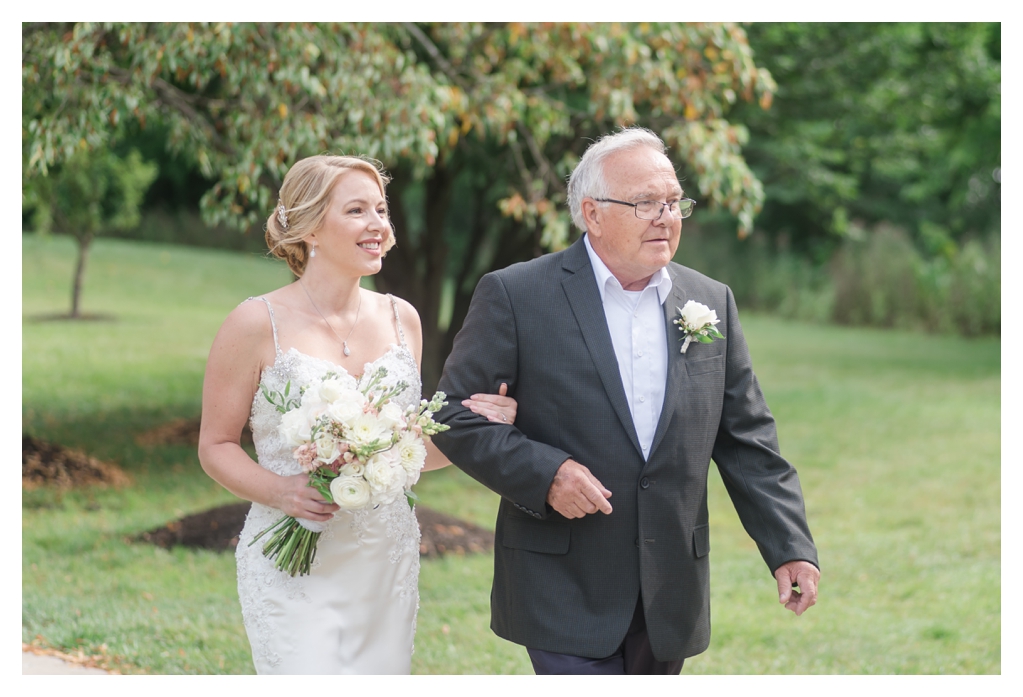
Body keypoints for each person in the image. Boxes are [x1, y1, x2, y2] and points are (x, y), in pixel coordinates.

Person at [432, 127, 820, 675]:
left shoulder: (711, 302)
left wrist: (790, 546)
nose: (665, 216)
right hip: (560, 582)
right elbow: (451, 417)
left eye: (672, 202)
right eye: (644, 203)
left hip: (670, 591)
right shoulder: (516, 295)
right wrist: (547, 474)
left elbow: (747, 441)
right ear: (591, 213)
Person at [197, 154, 518, 674]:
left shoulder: (402, 318)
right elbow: (215, 446)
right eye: (357, 211)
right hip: (291, 562)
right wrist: (282, 492)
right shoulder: (256, 322)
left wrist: (480, 425)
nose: (379, 226)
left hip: (383, 559)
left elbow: (409, 452)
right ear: (310, 229)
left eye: (381, 210)